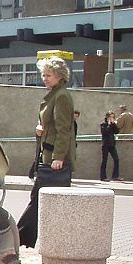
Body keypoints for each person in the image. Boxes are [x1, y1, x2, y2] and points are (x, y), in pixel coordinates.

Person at [17, 56, 76, 248]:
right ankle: (25, 240)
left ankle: (19, 239)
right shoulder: (55, 95)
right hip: (48, 155)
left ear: (60, 76)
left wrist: (59, 157)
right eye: (43, 75)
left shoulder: (61, 96)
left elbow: (64, 129)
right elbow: (51, 124)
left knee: (38, 199)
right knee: (40, 199)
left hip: (54, 158)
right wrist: (40, 128)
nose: (45, 78)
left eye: (48, 75)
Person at [100, 110, 123, 181]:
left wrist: (113, 124)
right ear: (107, 117)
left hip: (112, 145)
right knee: (104, 160)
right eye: (110, 117)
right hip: (105, 145)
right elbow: (105, 132)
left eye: (113, 117)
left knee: (116, 159)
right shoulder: (103, 124)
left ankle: (115, 176)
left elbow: (117, 131)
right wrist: (110, 125)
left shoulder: (113, 125)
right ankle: (103, 177)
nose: (112, 118)